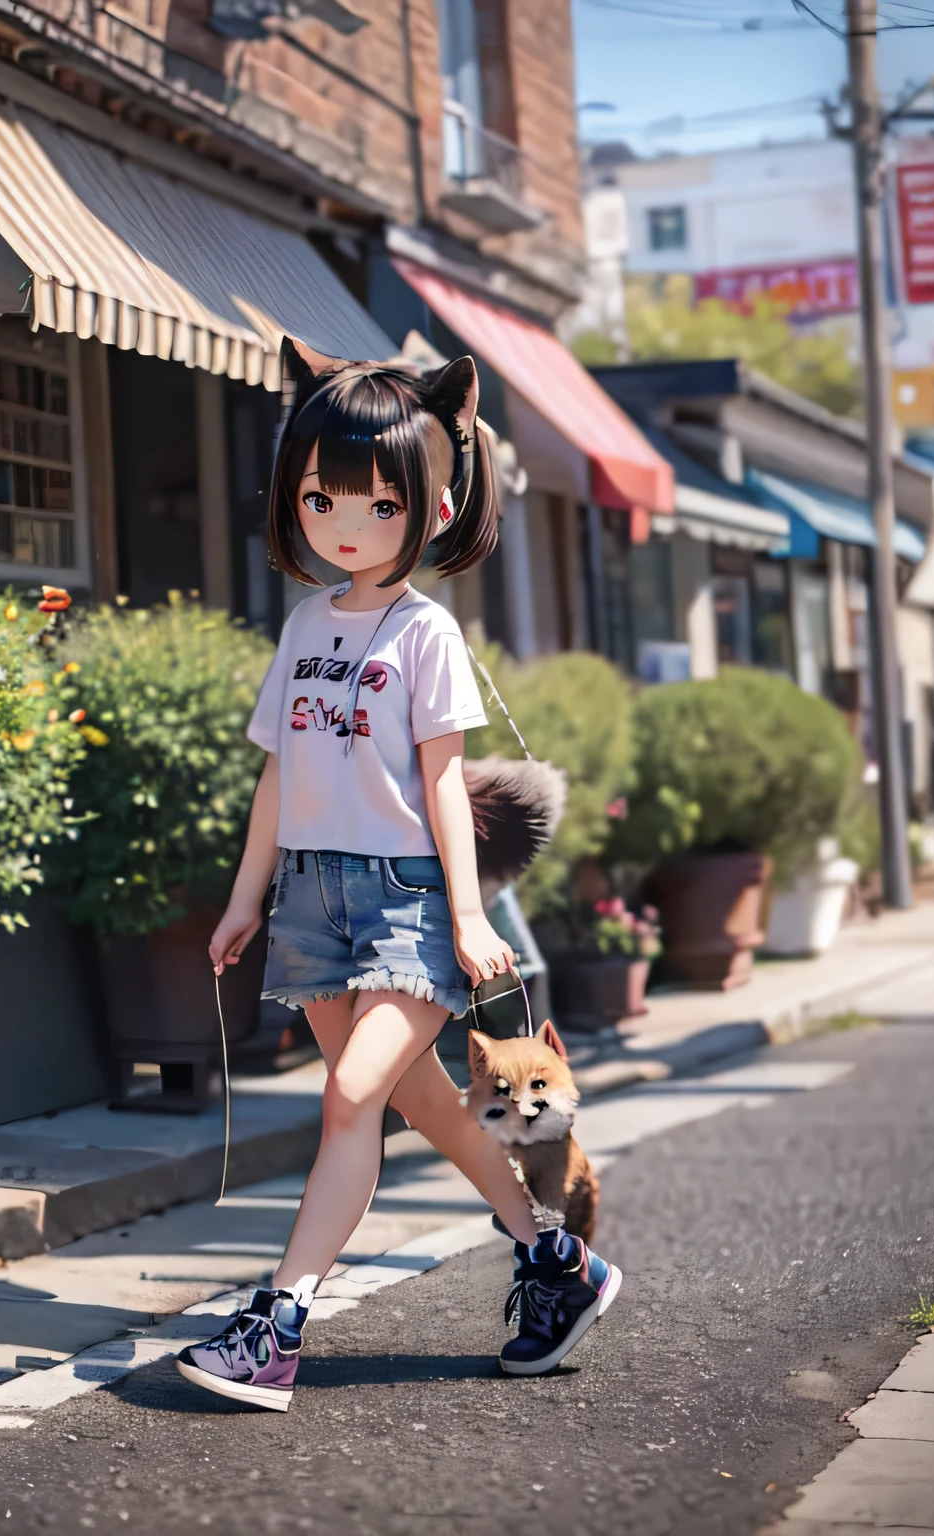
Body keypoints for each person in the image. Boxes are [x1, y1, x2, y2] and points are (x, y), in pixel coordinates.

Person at [175, 340, 621, 1412]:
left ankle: (277, 1326)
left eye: (382, 504)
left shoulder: (426, 633)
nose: (349, 523)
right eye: (327, 497)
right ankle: (556, 1261)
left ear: (431, 504)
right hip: (314, 900)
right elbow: (282, 771)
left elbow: (444, 783)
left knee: (348, 1101)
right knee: (416, 1104)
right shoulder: (302, 627)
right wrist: (247, 895)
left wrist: (467, 917)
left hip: (407, 901)